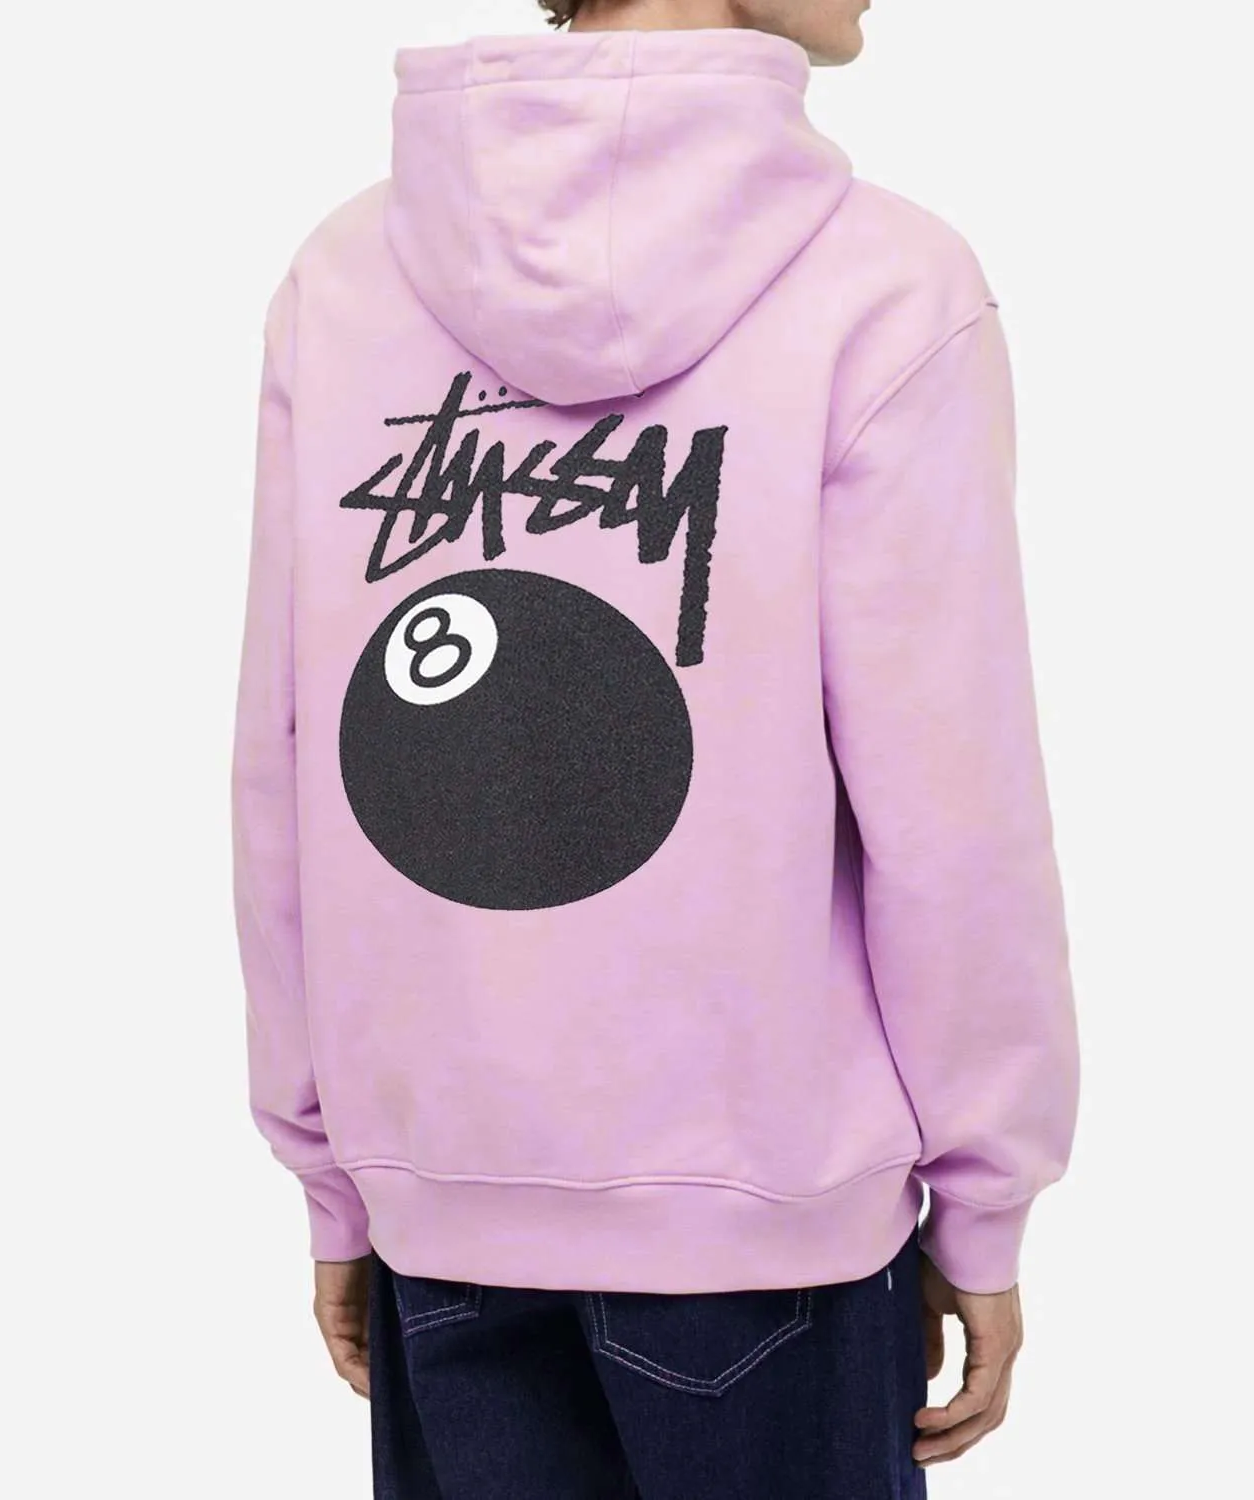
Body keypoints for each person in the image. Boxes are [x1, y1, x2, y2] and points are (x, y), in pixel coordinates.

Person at [230, 0, 1080, 1493]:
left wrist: (337, 1173)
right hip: (772, 1229)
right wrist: (983, 1199)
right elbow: (953, 812)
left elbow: (285, 768)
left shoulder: (346, 275)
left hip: (441, 1210)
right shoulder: (883, 286)